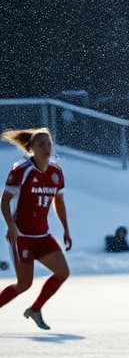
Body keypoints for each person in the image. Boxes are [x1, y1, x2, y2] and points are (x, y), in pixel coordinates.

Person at [1, 128, 72, 331]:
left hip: (43, 235)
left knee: (62, 272)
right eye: (41, 144)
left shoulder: (56, 173)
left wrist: (66, 230)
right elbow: (4, 202)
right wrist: (11, 227)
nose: (46, 148)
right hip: (22, 236)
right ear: (31, 148)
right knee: (24, 284)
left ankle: (35, 309)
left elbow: (59, 202)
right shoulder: (21, 170)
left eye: (49, 144)